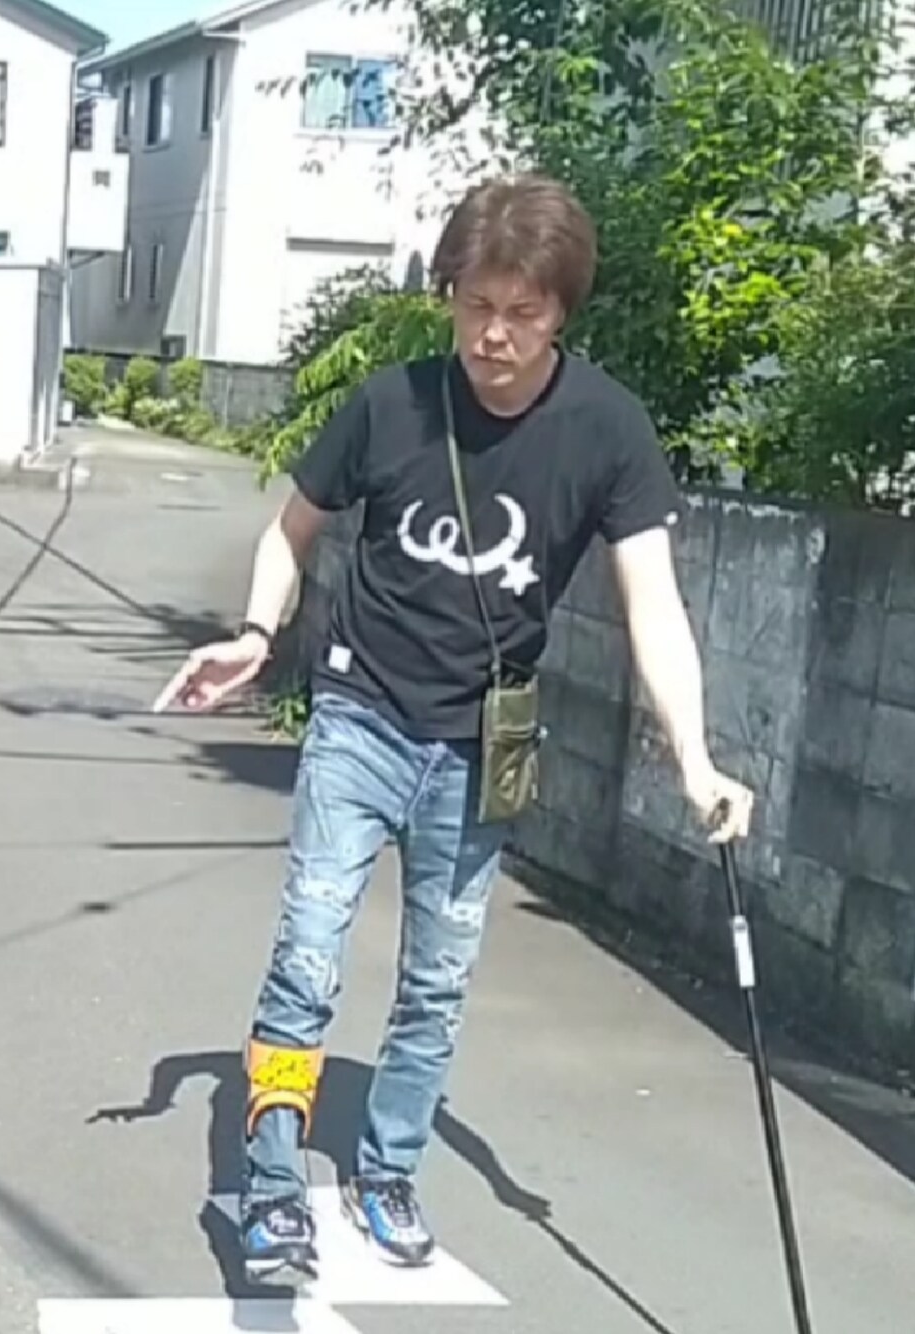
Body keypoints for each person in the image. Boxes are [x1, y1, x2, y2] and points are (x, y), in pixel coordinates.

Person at [152, 172, 755, 1279]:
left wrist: (696, 757)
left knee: (436, 981)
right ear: (448, 296)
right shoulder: (392, 404)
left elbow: (653, 603)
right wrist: (255, 632)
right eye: (476, 304)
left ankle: (387, 1172)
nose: (495, 335)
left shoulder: (608, 429)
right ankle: (273, 1187)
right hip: (360, 715)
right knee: (307, 957)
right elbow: (291, 531)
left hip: (482, 746)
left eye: (523, 312)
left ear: (561, 311)